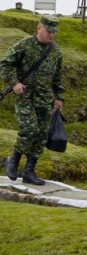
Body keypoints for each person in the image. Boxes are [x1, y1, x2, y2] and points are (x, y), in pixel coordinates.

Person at [1, 15, 64, 185]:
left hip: (45, 99)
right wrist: (14, 83)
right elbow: (5, 64)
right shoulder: (24, 45)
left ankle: (29, 172)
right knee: (29, 130)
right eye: (48, 31)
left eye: (54, 32)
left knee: (41, 135)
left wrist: (59, 97)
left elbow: (58, 76)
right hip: (25, 97)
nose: (51, 35)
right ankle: (13, 159)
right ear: (39, 28)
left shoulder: (56, 51)